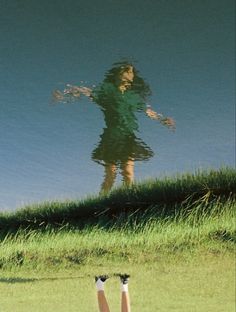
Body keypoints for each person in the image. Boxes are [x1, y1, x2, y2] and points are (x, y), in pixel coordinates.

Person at [53, 61, 175, 193]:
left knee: (128, 172)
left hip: (128, 137)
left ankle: (128, 201)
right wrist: (63, 95)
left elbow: (148, 111)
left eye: (131, 72)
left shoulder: (133, 97)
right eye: (127, 71)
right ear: (117, 75)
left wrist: (162, 119)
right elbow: (86, 91)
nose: (130, 74)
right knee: (111, 175)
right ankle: (101, 204)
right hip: (111, 137)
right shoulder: (107, 90)